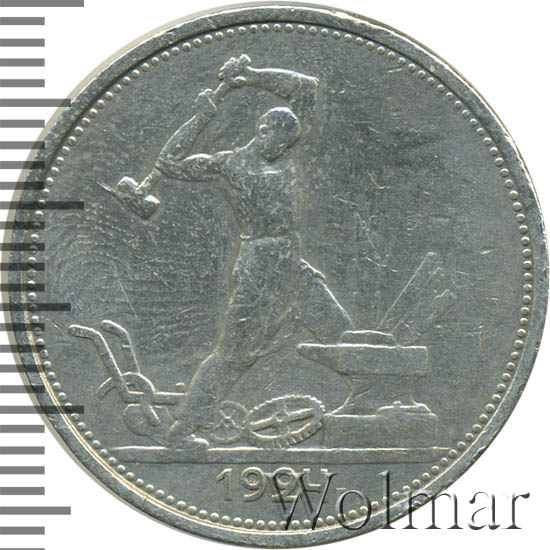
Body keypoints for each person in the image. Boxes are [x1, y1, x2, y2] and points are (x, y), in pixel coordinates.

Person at [139, 55, 353, 450]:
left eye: (290, 141)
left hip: (291, 262)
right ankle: (184, 430)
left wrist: (251, 77)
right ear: (263, 130)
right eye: (279, 138)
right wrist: (200, 118)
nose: (285, 146)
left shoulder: (287, 153)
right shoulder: (229, 164)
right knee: (234, 354)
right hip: (259, 267)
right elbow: (169, 163)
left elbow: (306, 87)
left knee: (343, 333)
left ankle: (361, 415)